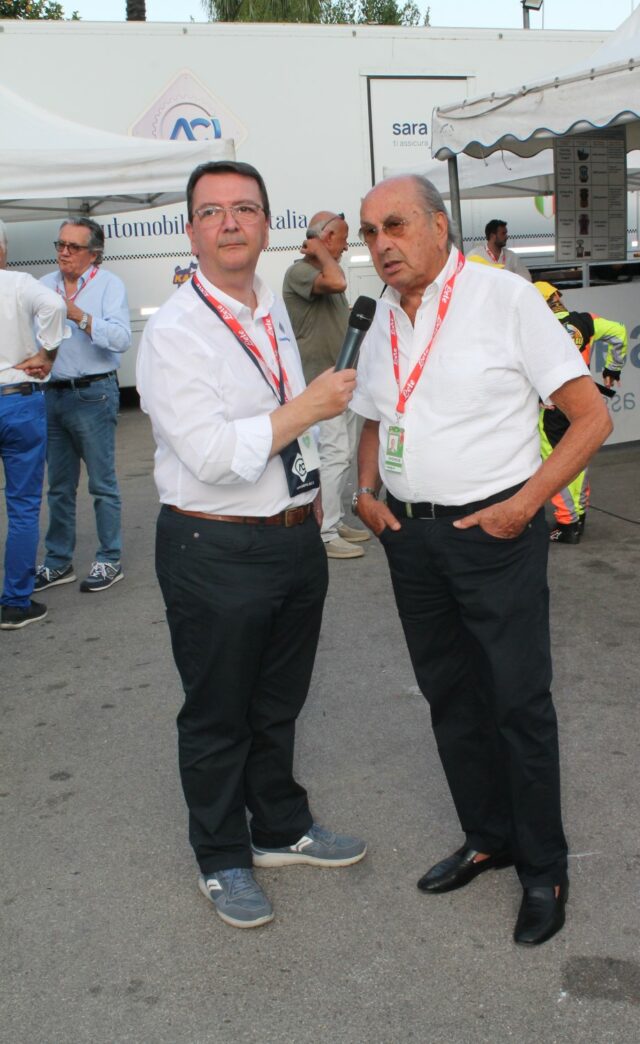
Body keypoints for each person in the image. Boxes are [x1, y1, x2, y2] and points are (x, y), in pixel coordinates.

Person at [351, 175, 612, 946]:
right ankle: (488, 836)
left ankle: (544, 867)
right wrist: (365, 491)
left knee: (517, 702)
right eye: (369, 232)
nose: (381, 244)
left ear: (440, 226)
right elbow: (373, 417)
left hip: (495, 534)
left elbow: (590, 419)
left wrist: (525, 506)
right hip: (410, 537)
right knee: (450, 696)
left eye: (395, 225)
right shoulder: (380, 316)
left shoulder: (506, 299)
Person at [136, 160, 366, 930]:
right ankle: (221, 856)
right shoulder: (176, 330)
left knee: (278, 702)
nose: (230, 222)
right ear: (192, 231)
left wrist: (308, 482)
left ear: (268, 225)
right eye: (212, 211)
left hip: (292, 539)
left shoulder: (269, 307)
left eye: (244, 208)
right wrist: (308, 409)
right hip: (214, 546)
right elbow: (207, 454)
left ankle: (279, 827)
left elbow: (276, 413)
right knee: (218, 714)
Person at [34, 218, 131, 594]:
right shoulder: (44, 285)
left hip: (94, 394)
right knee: (58, 487)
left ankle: (110, 558)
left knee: (102, 484)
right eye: (60, 245)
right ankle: (58, 561)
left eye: (73, 247)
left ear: (94, 253)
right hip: (53, 394)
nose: (64, 252)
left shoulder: (109, 285)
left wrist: (80, 316)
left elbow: (121, 339)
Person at [283, 211, 370, 560]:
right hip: (322, 382)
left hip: (342, 379)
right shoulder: (301, 272)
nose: (346, 246)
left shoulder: (323, 271)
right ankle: (325, 530)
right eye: (343, 238)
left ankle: (333, 517)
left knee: (343, 454)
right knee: (333, 454)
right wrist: (318, 249)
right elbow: (337, 282)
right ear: (325, 237)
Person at [0, 221, 68, 630]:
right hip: (17, 398)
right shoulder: (19, 283)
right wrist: (47, 354)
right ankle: (14, 602)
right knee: (23, 506)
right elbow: (56, 307)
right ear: (3, 249)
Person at [534, 281, 627, 544]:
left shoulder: (537, 328)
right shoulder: (586, 321)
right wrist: (613, 368)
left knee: (555, 465)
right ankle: (578, 515)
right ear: (557, 297)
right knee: (579, 458)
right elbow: (619, 331)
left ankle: (567, 524)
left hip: (553, 407)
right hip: (583, 405)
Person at [467, 219, 532, 281]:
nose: (506, 237)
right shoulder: (475, 255)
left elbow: (526, 278)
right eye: (503, 233)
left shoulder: (511, 256)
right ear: (492, 236)